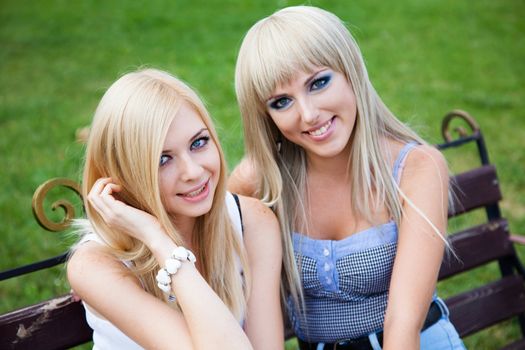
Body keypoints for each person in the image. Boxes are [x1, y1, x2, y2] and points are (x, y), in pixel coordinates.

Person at [228, 6, 465, 350]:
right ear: (265, 116)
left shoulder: (417, 168)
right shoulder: (260, 180)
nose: (308, 115)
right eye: (282, 102)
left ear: (351, 71)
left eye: (319, 83)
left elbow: (403, 325)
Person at [67, 68, 283, 349]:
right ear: (122, 175)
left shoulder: (252, 222)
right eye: (162, 160)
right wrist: (158, 239)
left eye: (199, 142)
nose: (193, 171)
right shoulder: (95, 265)